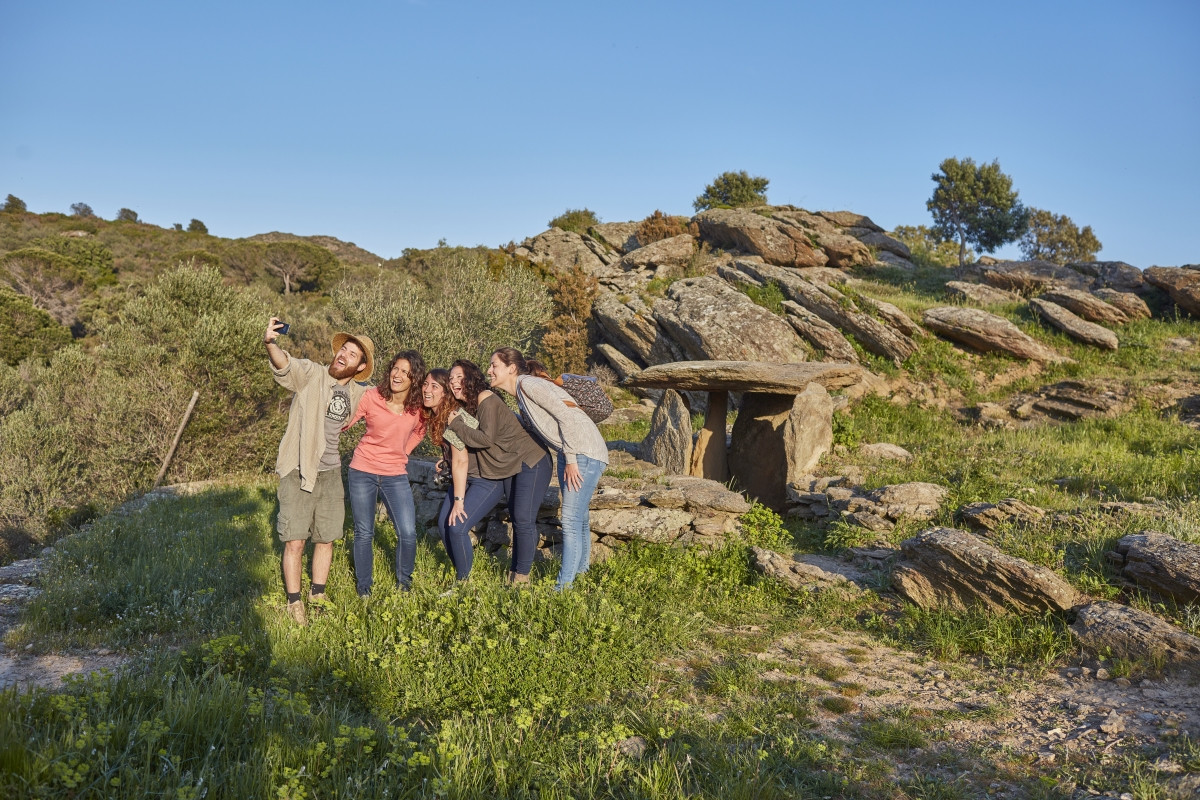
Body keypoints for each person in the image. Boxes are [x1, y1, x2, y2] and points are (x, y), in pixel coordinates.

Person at [264, 317, 375, 625]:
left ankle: (318, 594)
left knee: (326, 539)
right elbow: (286, 365)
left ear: (359, 366)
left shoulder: (359, 392)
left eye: (353, 354)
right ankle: (294, 602)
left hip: (330, 474)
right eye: (344, 350)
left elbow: (391, 399)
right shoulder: (312, 374)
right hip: (300, 469)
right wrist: (271, 343)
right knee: (295, 540)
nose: (344, 355)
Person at [501, 352, 609, 590]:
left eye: (494, 365)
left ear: (511, 369)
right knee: (579, 520)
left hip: (581, 452)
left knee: (570, 520)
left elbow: (565, 416)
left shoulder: (527, 384)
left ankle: (563, 588)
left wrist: (571, 459)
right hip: (574, 452)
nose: (490, 370)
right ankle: (581, 573)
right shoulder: (522, 396)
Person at [445, 358, 551, 585]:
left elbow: (484, 439)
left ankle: (521, 578)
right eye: (451, 378)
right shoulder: (467, 408)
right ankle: (514, 574)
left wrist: (456, 425)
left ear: (471, 378)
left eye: (459, 377)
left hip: (532, 459)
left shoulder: (485, 397)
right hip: (512, 464)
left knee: (523, 518)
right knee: (517, 517)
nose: (454, 382)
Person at [343, 350, 427, 596]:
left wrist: (403, 451)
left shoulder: (417, 408)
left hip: (395, 474)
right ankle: (364, 588)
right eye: (395, 368)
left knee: (408, 532)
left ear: (414, 379)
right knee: (364, 532)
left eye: (405, 372)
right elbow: (346, 422)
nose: (397, 375)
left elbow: (420, 432)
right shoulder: (372, 396)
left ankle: (404, 586)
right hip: (362, 470)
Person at [423, 366, 497, 582]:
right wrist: (445, 460)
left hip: (486, 478)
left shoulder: (454, 417)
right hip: (467, 477)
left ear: (446, 392)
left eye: (434, 386)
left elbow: (462, 459)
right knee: (443, 525)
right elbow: (458, 452)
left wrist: (458, 501)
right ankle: (462, 574)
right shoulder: (439, 416)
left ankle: (464, 584)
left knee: (456, 527)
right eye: (425, 384)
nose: (427, 390)